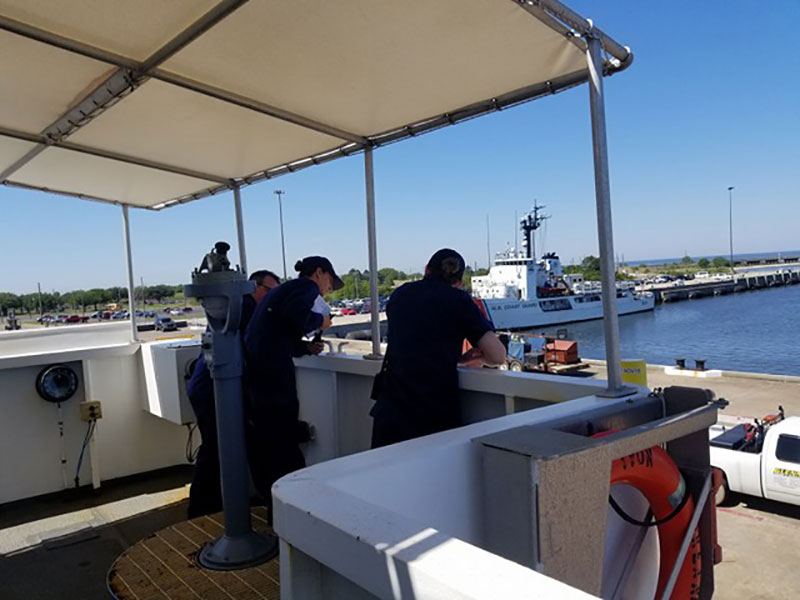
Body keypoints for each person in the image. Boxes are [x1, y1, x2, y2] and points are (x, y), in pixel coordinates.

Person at [370, 248, 506, 448]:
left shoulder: (400, 295)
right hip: (432, 414)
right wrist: (470, 359)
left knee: (384, 476)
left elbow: (415, 342)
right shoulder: (459, 300)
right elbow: (498, 355)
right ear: (459, 283)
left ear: (426, 270)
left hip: (390, 412)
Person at [244, 256, 343, 506]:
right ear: (319, 273)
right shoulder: (305, 287)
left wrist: (306, 348)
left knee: (270, 438)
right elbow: (296, 315)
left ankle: (274, 500)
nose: (327, 289)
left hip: (260, 371)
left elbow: (279, 331)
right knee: (282, 439)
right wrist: (322, 321)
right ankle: (292, 501)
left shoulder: (286, 290)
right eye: (329, 281)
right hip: (272, 375)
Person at [186, 269, 280, 518]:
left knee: (226, 447)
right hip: (212, 390)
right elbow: (260, 343)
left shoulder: (237, 309)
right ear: (254, 288)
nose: (272, 298)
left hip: (211, 388)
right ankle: (202, 511)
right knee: (216, 450)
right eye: (270, 292)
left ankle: (214, 508)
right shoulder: (245, 308)